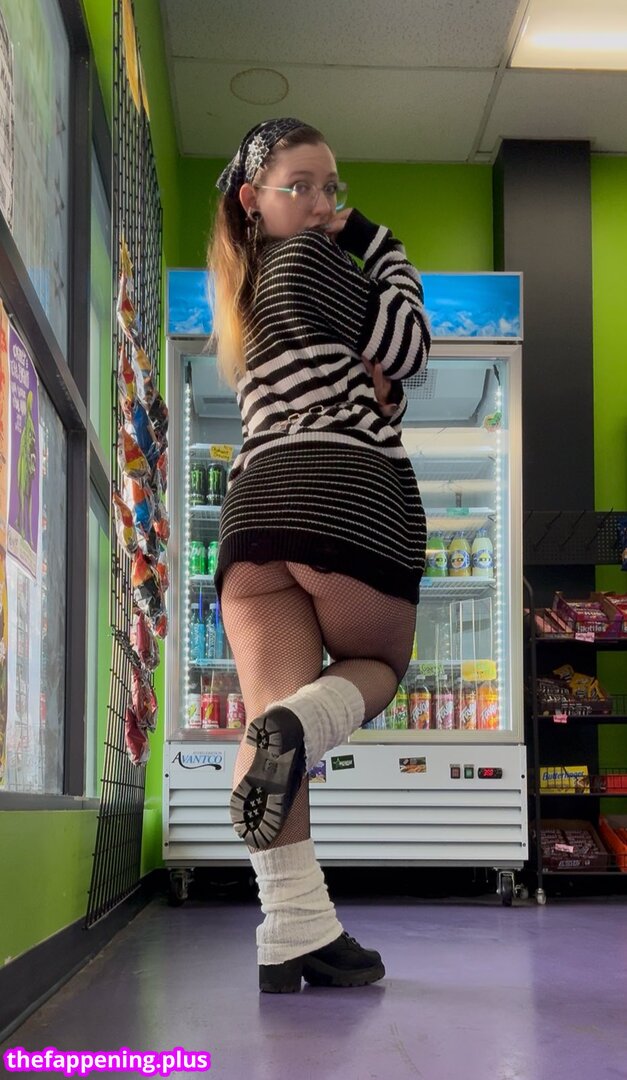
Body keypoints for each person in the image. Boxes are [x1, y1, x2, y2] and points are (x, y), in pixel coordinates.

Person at [208, 118, 430, 993]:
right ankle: (301, 727)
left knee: (269, 716)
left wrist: (378, 380)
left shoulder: (245, 289)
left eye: (331, 187)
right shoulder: (313, 260)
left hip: (253, 514)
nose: (321, 203)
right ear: (252, 200)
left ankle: (293, 932)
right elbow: (412, 344)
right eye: (298, 185)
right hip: (339, 494)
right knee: (378, 665)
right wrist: (378, 239)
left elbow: (374, 373)